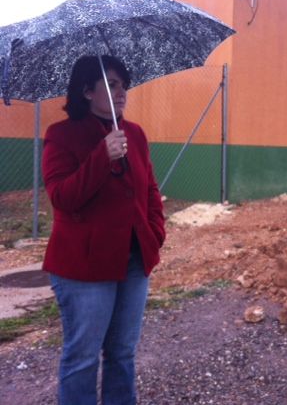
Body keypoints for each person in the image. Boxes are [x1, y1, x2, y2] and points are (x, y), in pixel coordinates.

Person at [42, 55, 165, 405]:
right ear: (86, 91)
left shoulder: (134, 134)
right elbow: (62, 197)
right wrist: (101, 155)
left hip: (133, 260)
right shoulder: (61, 135)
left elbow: (149, 190)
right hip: (84, 267)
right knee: (82, 358)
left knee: (122, 353)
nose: (121, 92)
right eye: (111, 85)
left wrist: (155, 232)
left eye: (123, 84)